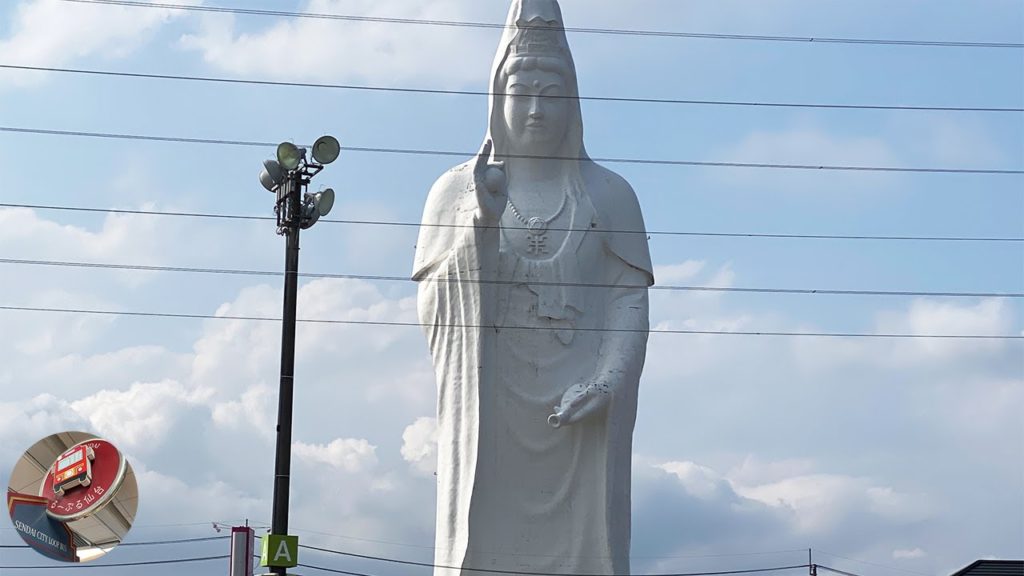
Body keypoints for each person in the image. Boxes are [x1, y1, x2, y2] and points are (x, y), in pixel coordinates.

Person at [413, 1, 653, 574]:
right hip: (490, 402)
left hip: (582, 411)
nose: (538, 109)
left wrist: (609, 381)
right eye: (524, 92)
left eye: (553, 92)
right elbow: (431, 303)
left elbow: (629, 299)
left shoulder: (609, 193)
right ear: (499, 99)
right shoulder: (457, 190)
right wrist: (481, 228)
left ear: (573, 101)